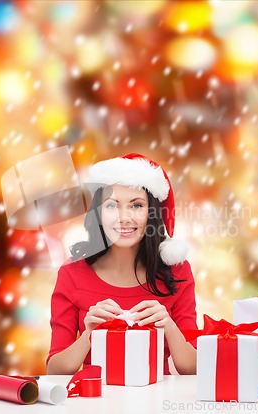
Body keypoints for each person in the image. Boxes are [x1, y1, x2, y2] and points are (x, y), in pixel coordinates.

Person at [46, 153, 197, 375]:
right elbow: (55, 371)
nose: (124, 217)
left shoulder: (177, 271)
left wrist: (168, 326)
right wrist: (90, 334)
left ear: (152, 213)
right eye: (111, 206)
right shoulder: (72, 273)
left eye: (136, 206)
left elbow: (193, 368)